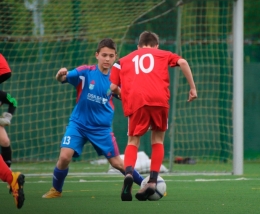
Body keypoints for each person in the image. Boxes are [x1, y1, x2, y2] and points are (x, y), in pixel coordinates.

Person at [42, 38, 143, 199]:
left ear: (115, 57)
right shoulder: (85, 72)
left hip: (101, 129)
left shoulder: (118, 78)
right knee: (64, 156)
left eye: (111, 56)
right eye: (104, 55)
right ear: (97, 55)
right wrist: (60, 75)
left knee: (117, 163)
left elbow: (127, 96)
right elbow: (64, 78)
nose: (107, 59)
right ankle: (56, 190)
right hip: (78, 124)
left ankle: (146, 185)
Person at [110, 31, 197, 201]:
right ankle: (152, 182)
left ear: (138, 46)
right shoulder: (163, 54)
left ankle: (128, 174)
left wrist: (122, 94)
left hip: (136, 100)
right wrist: (192, 88)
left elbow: (112, 87)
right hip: (159, 99)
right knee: (157, 140)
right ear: (156, 46)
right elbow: (183, 62)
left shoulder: (122, 61)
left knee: (133, 141)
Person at [0, 53, 17, 168]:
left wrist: (8, 116)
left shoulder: (1, 95)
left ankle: (7, 173)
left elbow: (13, 102)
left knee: (5, 141)